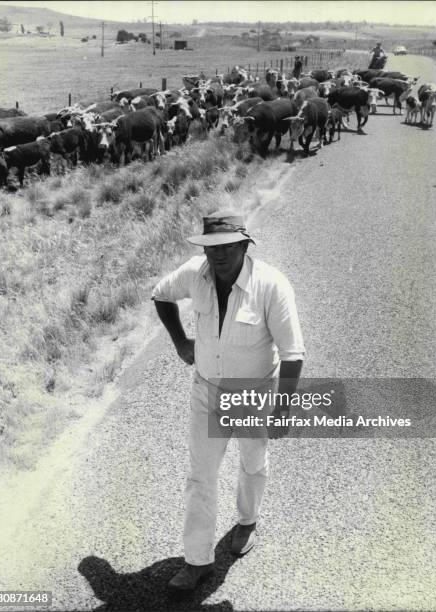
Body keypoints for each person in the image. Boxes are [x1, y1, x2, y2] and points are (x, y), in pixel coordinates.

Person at [152, 209, 306, 593]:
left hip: (255, 391)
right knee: (199, 475)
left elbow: (293, 353)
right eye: (210, 247)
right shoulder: (194, 273)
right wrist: (180, 343)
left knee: (253, 463)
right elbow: (160, 294)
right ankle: (197, 561)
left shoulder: (271, 285)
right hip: (207, 390)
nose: (216, 255)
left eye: (225, 247)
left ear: (243, 244)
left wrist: (283, 409)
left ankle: (247, 520)